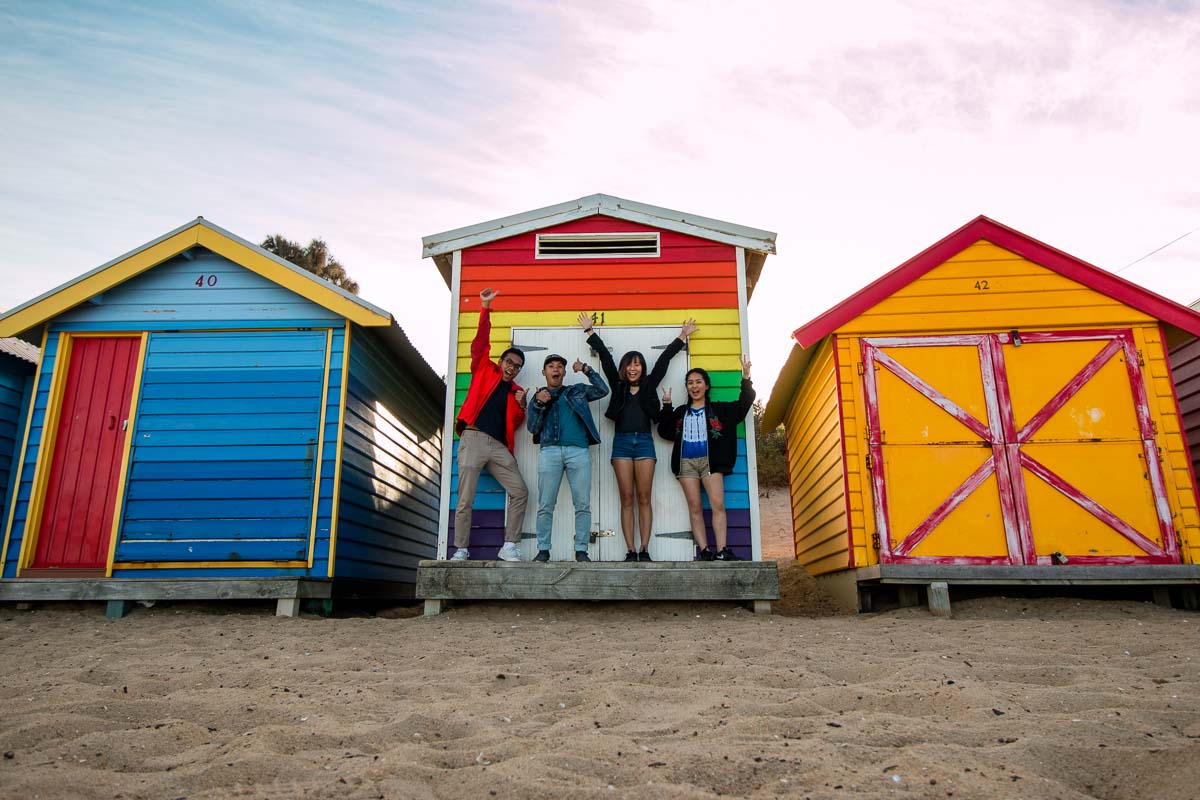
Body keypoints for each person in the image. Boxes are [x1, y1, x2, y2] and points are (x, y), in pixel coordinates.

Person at [580, 313, 696, 562]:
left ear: (642, 368)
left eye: (637, 364)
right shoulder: (618, 385)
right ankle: (630, 550)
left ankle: (645, 549)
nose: (633, 368)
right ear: (625, 368)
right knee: (627, 498)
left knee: (644, 497)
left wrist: (682, 336)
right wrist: (590, 332)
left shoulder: (649, 385)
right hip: (621, 443)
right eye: (629, 364)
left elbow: (664, 360)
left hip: (645, 442)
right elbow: (607, 359)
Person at [450, 288, 529, 562]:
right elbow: (480, 343)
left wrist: (522, 405)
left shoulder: (516, 391)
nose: (512, 367)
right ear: (501, 361)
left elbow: (515, 424)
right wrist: (485, 308)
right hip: (473, 438)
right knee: (465, 499)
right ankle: (460, 549)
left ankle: (509, 546)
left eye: (517, 366)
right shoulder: (484, 368)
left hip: (498, 447)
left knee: (520, 492)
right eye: (509, 362)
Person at [657, 355, 755, 561]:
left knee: (717, 504)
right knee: (695, 507)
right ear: (687, 387)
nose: (694, 386)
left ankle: (722, 550)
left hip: (711, 462)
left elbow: (743, 405)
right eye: (690, 383)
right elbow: (664, 431)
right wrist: (667, 407)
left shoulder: (719, 410)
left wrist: (746, 378)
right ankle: (704, 550)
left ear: (707, 386)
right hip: (686, 464)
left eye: (698, 382)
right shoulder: (681, 412)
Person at [525, 354, 609, 562]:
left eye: (560, 366)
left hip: (578, 451)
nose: (556, 369)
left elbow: (602, 390)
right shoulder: (538, 397)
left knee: (582, 504)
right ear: (544, 372)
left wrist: (586, 369)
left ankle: (581, 551)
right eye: (551, 366)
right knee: (546, 504)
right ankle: (543, 550)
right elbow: (532, 428)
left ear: (564, 372)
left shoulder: (576, 391)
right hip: (550, 451)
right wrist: (537, 403)